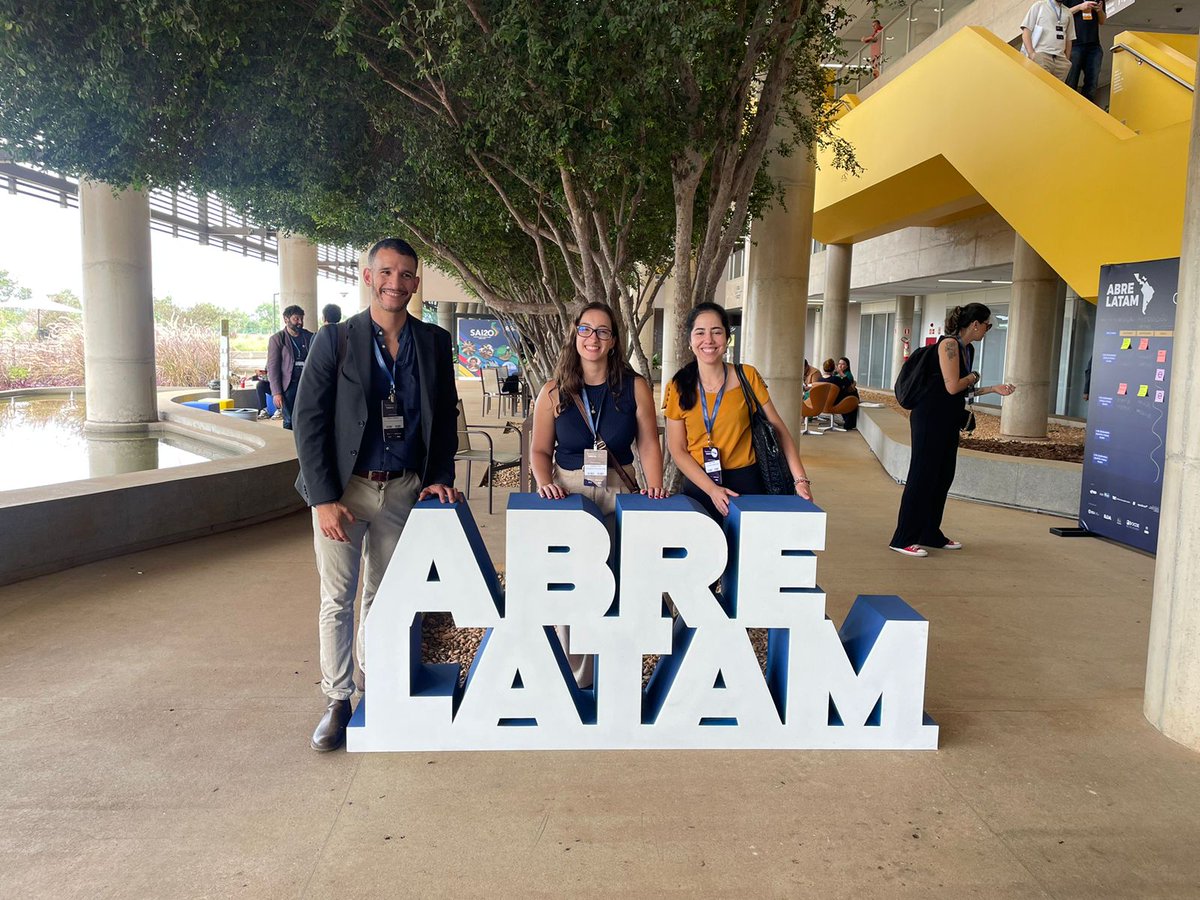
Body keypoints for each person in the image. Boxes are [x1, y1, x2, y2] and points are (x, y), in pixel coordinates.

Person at [293, 237, 460, 752]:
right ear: (368, 277)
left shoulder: (433, 342)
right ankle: (337, 698)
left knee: (385, 596)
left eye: (406, 274)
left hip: (405, 488)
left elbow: (445, 416)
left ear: (416, 282)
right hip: (345, 491)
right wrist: (322, 498)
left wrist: (439, 474)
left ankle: (374, 683)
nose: (396, 282)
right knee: (338, 598)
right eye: (386, 272)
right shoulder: (335, 339)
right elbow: (308, 420)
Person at [530, 301, 666, 687]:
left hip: (618, 488)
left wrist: (654, 483)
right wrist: (544, 481)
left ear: (613, 340)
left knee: (619, 581)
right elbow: (539, 450)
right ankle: (578, 677)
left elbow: (648, 442)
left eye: (603, 331)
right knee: (572, 584)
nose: (593, 338)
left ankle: (616, 673)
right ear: (575, 335)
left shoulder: (634, 386)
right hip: (569, 491)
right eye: (586, 329)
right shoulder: (553, 391)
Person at [664, 302, 813, 520]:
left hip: (748, 486)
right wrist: (712, 489)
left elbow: (779, 430)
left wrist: (800, 480)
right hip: (700, 487)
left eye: (717, 332)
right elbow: (677, 449)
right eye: (700, 333)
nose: (709, 340)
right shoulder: (678, 386)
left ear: (727, 338)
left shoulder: (747, 377)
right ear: (690, 341)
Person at [889, 303, 1016, 558]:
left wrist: (992, 389)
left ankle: (929, 533)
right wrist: (975, 376)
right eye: (988, 325)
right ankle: (903, 538)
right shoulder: (949, 345)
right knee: (922, 477)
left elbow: (962, 389)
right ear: (975, 324)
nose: (988, 330)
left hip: (947, 418)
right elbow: (953, 386)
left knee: (942, 476)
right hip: (930, 418)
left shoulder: (967, 349)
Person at [266, 305, 314, 429]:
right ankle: (289, 439)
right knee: (289, 419)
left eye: (301, 319)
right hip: (289, 385)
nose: (300, 322)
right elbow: (273, 367)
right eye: (296, 319)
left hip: (307, 383)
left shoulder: (309, 336)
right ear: (286, 319)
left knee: (307, 417)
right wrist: (276, 392)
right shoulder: (277, 339)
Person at [1021, 0, 1078, 83]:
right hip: (1042, 55)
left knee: (1056, 89)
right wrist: (1032, 54)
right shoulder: (1039, 6)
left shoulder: (1068, 12)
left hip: (1060, 60)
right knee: (1040, 87)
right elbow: (1026, 31)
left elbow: (1069, 39)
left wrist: (1067, 60)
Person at [1067, 1, 1106, 103]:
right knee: (1070, 81)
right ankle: (1068, 106)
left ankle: (1087, 108)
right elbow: (1062, 14)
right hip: (1075, 44)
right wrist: (1080, 7)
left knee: (1092, 84)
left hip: (1094, 45)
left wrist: (1099, 10)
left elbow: (1102, 21)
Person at [830, 356, 860, 431]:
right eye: (839, 364)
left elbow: (846, 385)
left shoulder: (847, 375)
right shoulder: (836, 374)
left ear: (847, 366)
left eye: (843, 364)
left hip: (847, 398)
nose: (840, 366)